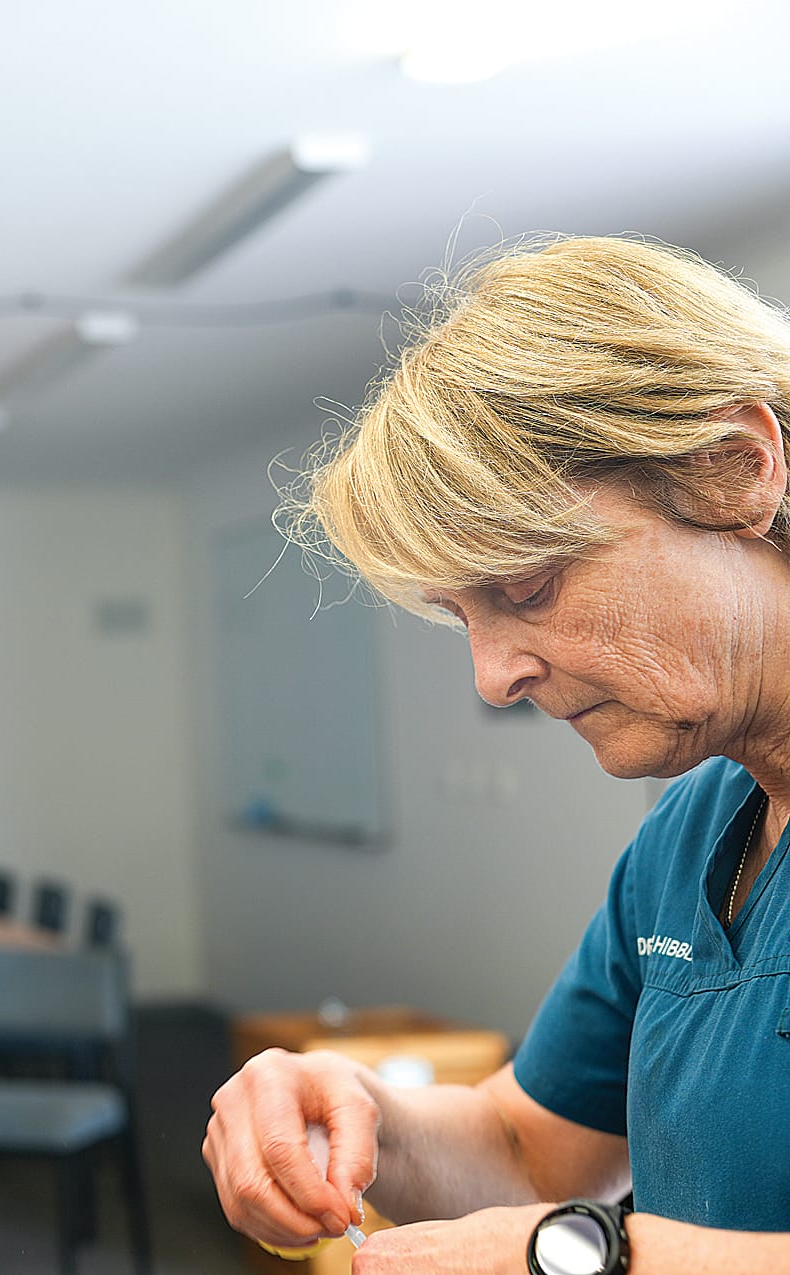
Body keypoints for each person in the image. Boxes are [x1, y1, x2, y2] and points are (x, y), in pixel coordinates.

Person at [201, 234, 790, 1272]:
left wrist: (577, 1259)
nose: (492, 679)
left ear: (731, 470)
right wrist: (362, 1118)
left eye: (525, 590)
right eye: (458, 616)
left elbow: (554, 1224)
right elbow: (529, 1153)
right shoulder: (690, 835)